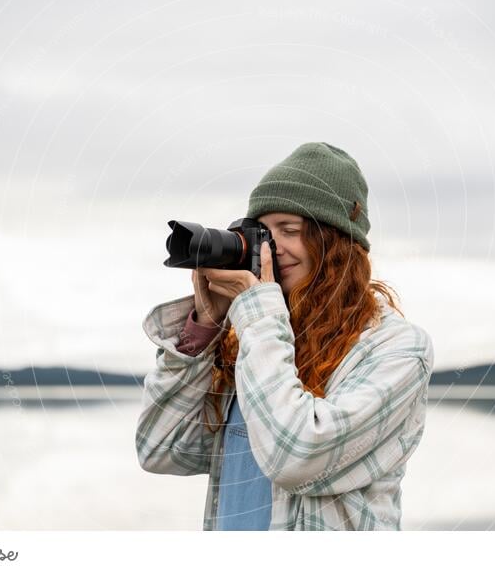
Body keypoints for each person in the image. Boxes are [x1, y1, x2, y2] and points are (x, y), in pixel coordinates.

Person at [136, 142, 434, 531]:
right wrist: (204, 328)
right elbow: (160, 449)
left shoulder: (396, 350)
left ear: (335, 245)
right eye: (262, 232)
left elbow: (295, 456)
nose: (271, 250)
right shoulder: (252, 344)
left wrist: (257, 313)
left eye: (289, 231)